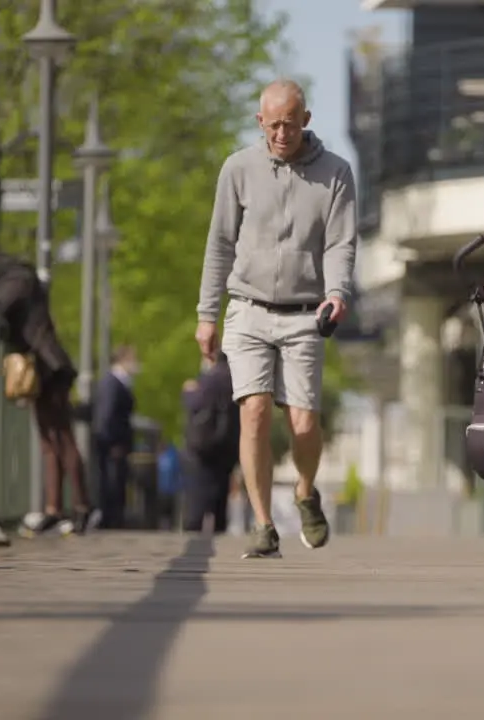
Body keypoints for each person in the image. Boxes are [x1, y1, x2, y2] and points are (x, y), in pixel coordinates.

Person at [194, 79, 356, 559]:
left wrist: (336, 293)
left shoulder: (336, 173)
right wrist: (207, 315)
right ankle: (263, 524)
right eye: (273, 124)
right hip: (247, 309)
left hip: (306, 313)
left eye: (290, 123)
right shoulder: (238, 169)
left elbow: (341, 243)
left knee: (304, 423)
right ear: (259, 121)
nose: (281, 133)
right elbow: (220, 243)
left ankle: (305, 491)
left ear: (305, 120)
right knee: (255, 412)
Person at [0, 252, 98, 537]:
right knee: (50, 441)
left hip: (48, 367)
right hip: (46, 365)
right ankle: (55, 508)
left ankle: (81, 506)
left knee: (61, 438)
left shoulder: (16, 281)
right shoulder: (25, 279)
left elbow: (0, 308)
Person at [181, 353, 239, 535]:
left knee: (197, 505)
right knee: (220, 502)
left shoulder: (209, 379)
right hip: (228, 448)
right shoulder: (235, 379)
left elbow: (197, 404)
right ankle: (220, 533)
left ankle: (195, 542)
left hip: (204, 449)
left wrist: (188, 392)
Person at [92, 345, 138, 529]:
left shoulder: (117, 383)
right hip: (113, 444)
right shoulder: (113, 383)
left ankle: (113, 518)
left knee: (116, 481)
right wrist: (111, 440)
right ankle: (111, 520)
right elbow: (107, 414)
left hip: (115, 443)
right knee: (112, 482)